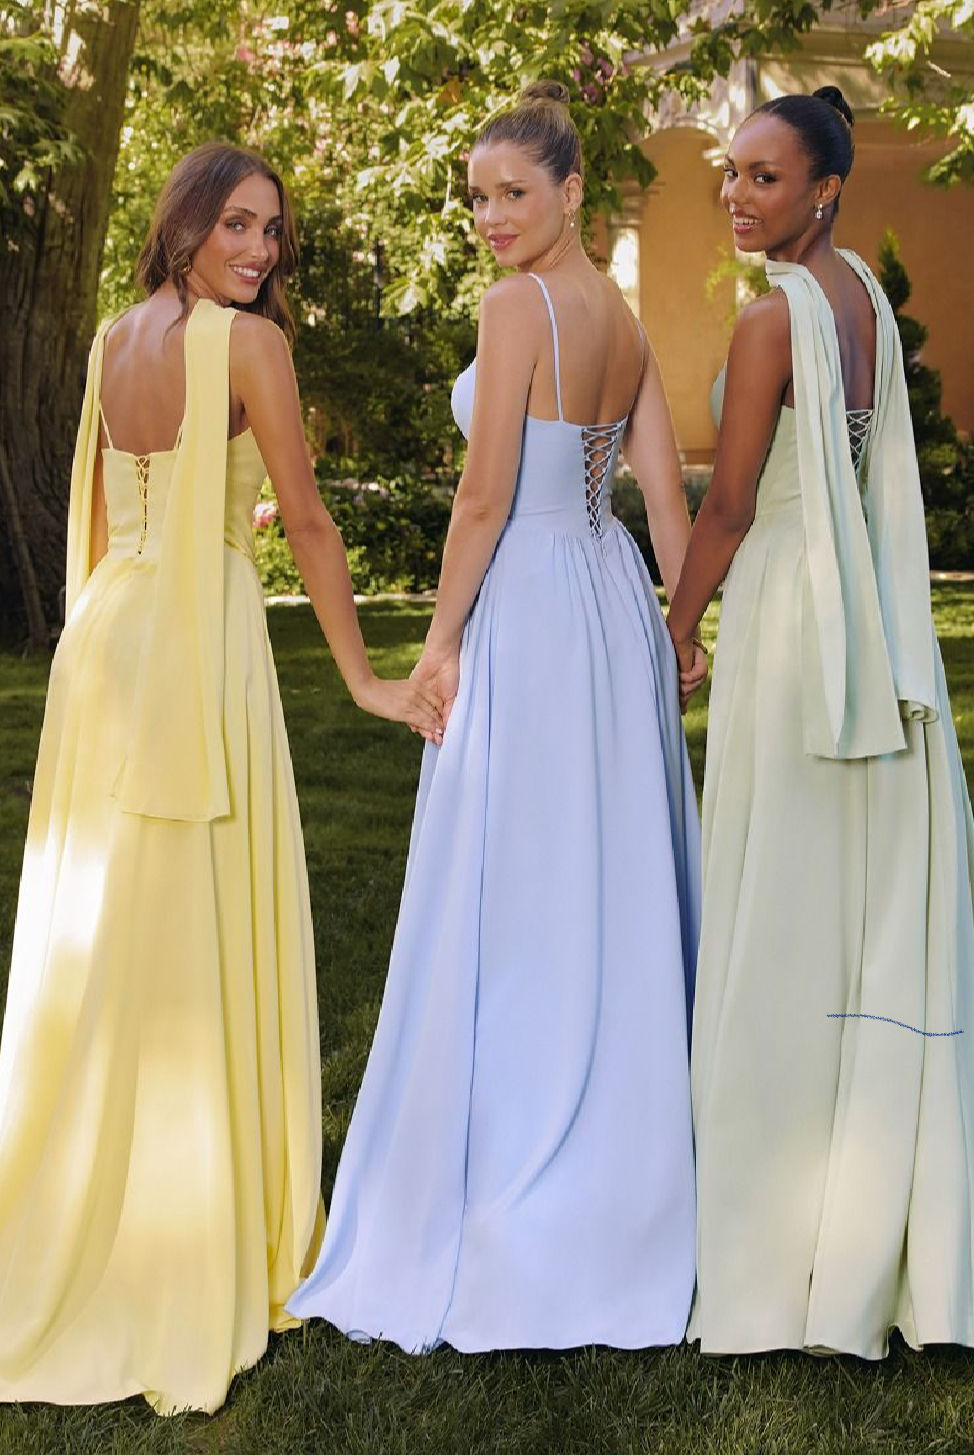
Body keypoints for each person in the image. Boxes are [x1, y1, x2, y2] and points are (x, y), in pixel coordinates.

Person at [0, 142, 442, 1414]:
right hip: (200, 644)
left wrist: (94, 653)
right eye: (238, 224)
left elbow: (96, 520)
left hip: (106, 645)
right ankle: (192, 1229)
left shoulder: (109, 339)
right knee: (191, 924)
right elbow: (307, 522)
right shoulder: (251, 348)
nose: (258, 250)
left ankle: (97, 1199)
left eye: (272, 232)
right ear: (186, 221)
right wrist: (366, 680)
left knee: (109, 927)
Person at [288, 81, 704, 1353]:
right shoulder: (620, 315)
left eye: (513, 193)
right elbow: (660, 492)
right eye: (476, 198)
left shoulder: (516, 306)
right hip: (608, 602)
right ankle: (623, 1167)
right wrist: (681, 623)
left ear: (571, 190)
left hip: (528, 603)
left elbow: (480, 501)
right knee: (604, 871)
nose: (490, 217)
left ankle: (522, 1159)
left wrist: (438, 643)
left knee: (515, 876)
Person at [667, 88, 974, 1357]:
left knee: (780, 897)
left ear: (824, 187)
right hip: (857, 618)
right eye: (731, 173)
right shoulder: (861, 301)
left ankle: (769, 1232)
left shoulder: (768, 320)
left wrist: (673, 623)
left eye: (764, 176)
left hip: (793, 615)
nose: (736, 195)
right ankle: (852, 1217)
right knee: (837, 904)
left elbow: (730, 504)